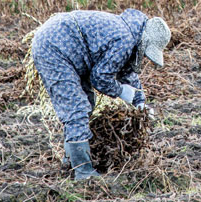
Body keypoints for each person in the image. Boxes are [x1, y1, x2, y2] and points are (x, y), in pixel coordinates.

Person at [31, 9, 171, 181]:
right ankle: (83, 172)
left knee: (86, 103)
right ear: (145, 41)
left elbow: (126, 73)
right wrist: (121, 91)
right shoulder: (125, 39)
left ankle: (71, 161)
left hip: (67, 48)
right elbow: (100, 78)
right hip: (55, 49)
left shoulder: (129, 33)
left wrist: (139, 101)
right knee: (77, 109)